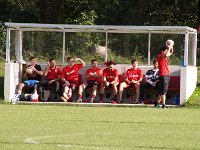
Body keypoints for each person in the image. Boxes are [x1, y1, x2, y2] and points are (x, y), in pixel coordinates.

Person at [154, 44, 173, 108]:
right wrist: (169, 48)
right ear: (162, 51)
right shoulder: (160, 56)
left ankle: (157, 103)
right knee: (163, 91)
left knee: (161, 91)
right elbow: (167, 54)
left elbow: (170, 53)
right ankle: (163, 105)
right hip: (163, 75)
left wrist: (171, 47)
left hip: (166, 75)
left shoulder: (165, 56)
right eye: (165, 51)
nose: (166, 51)